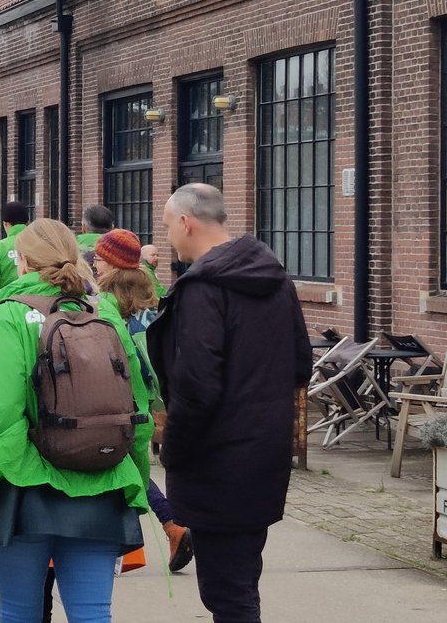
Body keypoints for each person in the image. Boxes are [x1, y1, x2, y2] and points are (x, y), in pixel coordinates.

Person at [0, 219, 150, 623]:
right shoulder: (105, 312)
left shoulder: (9, 314)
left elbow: (1, 415)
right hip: (103, 482)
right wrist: (134, 480)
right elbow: (139, 409)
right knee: (93, 615)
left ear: (23, 261)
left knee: (18, 612)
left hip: (26, 487)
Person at [147, 184, 313, 622]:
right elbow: (301, 364)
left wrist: (174, 452)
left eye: (167, 226)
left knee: (228, 594)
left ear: (186, 222)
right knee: (240, 581)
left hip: (216, 461)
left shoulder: (202, 288)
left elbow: (197, 385)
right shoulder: (275, 279)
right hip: (263, 454)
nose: (168, 238)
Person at [93, 229, 193, 574]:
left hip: (130, 408)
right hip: (152, 405)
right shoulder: (150, 302)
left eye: (100, 259)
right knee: (132, 472)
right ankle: (172, 527)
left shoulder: (108, 309)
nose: (94, 263)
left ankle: (159, 532)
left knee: (124, 473)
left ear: (114, 266)